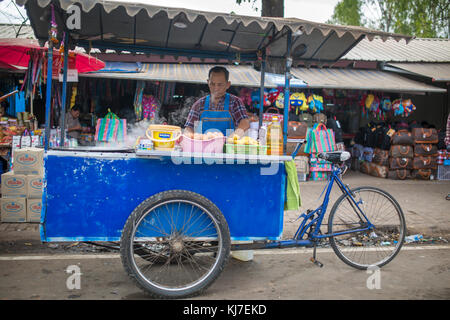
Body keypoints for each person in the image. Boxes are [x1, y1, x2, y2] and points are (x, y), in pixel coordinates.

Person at [184, 66, 249, 137]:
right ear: (208, 82)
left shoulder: (235, 102)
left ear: (228, 85)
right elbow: (189, 127)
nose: (216, 88)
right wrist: (189, 135)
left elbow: (245, 122)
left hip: (226, 146)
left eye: (220, 84)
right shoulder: (199, 104)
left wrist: (235, 135)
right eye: (212, 84)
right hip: (202, 146)